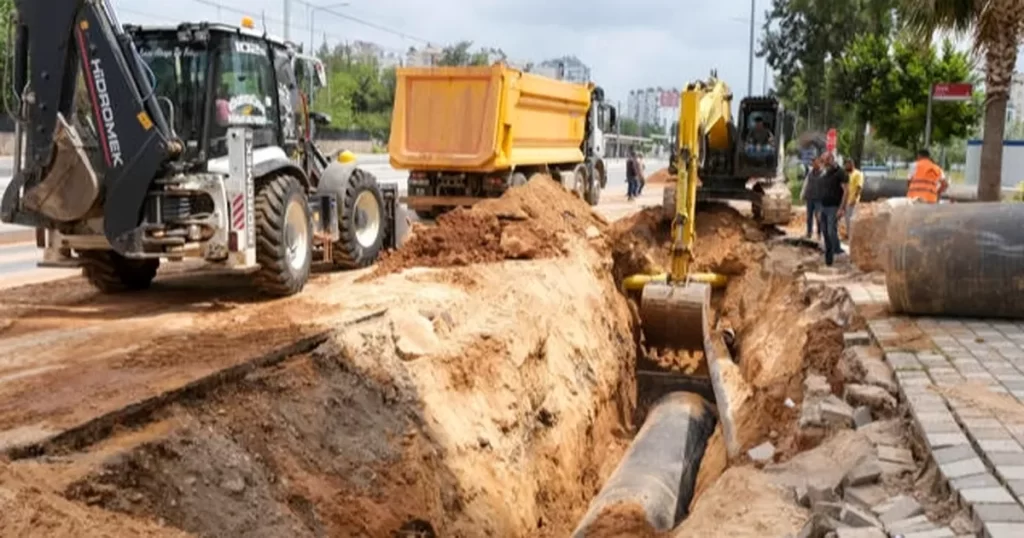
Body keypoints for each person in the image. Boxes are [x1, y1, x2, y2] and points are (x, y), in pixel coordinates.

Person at [819, 153, 848, 266]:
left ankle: (837, 251)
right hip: (823, 206)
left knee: (831, 231)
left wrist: (842, 208)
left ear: (831, 159)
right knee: (825, 232)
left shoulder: (840, 173)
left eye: (825, 160)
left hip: (834, 207)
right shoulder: (825, 172)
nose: (824, 162)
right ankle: (828, 259)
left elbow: (846, 191)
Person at [839, 158, 864, 242]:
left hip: (852, 201)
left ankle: (853, 237)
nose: (846, 166)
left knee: (851, 220)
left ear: (851, 164)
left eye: (847, 164)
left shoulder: (858, 174)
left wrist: (855, 199)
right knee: (847, 219)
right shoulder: (847, 174)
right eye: (845, 165)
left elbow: (859, 187)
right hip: (846, 201)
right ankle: (850, 236)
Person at [800, 157, 824, 240]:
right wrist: (802, 194)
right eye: (813, 163)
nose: (814, 164)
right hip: (809, 198)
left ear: (820, 163)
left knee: (818, 217)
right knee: (809, 216)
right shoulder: (810, 173)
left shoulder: (823, 173)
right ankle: (809, 233)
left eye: (816, 162)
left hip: (819, 199)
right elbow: (806, 184)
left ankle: (819, 234)